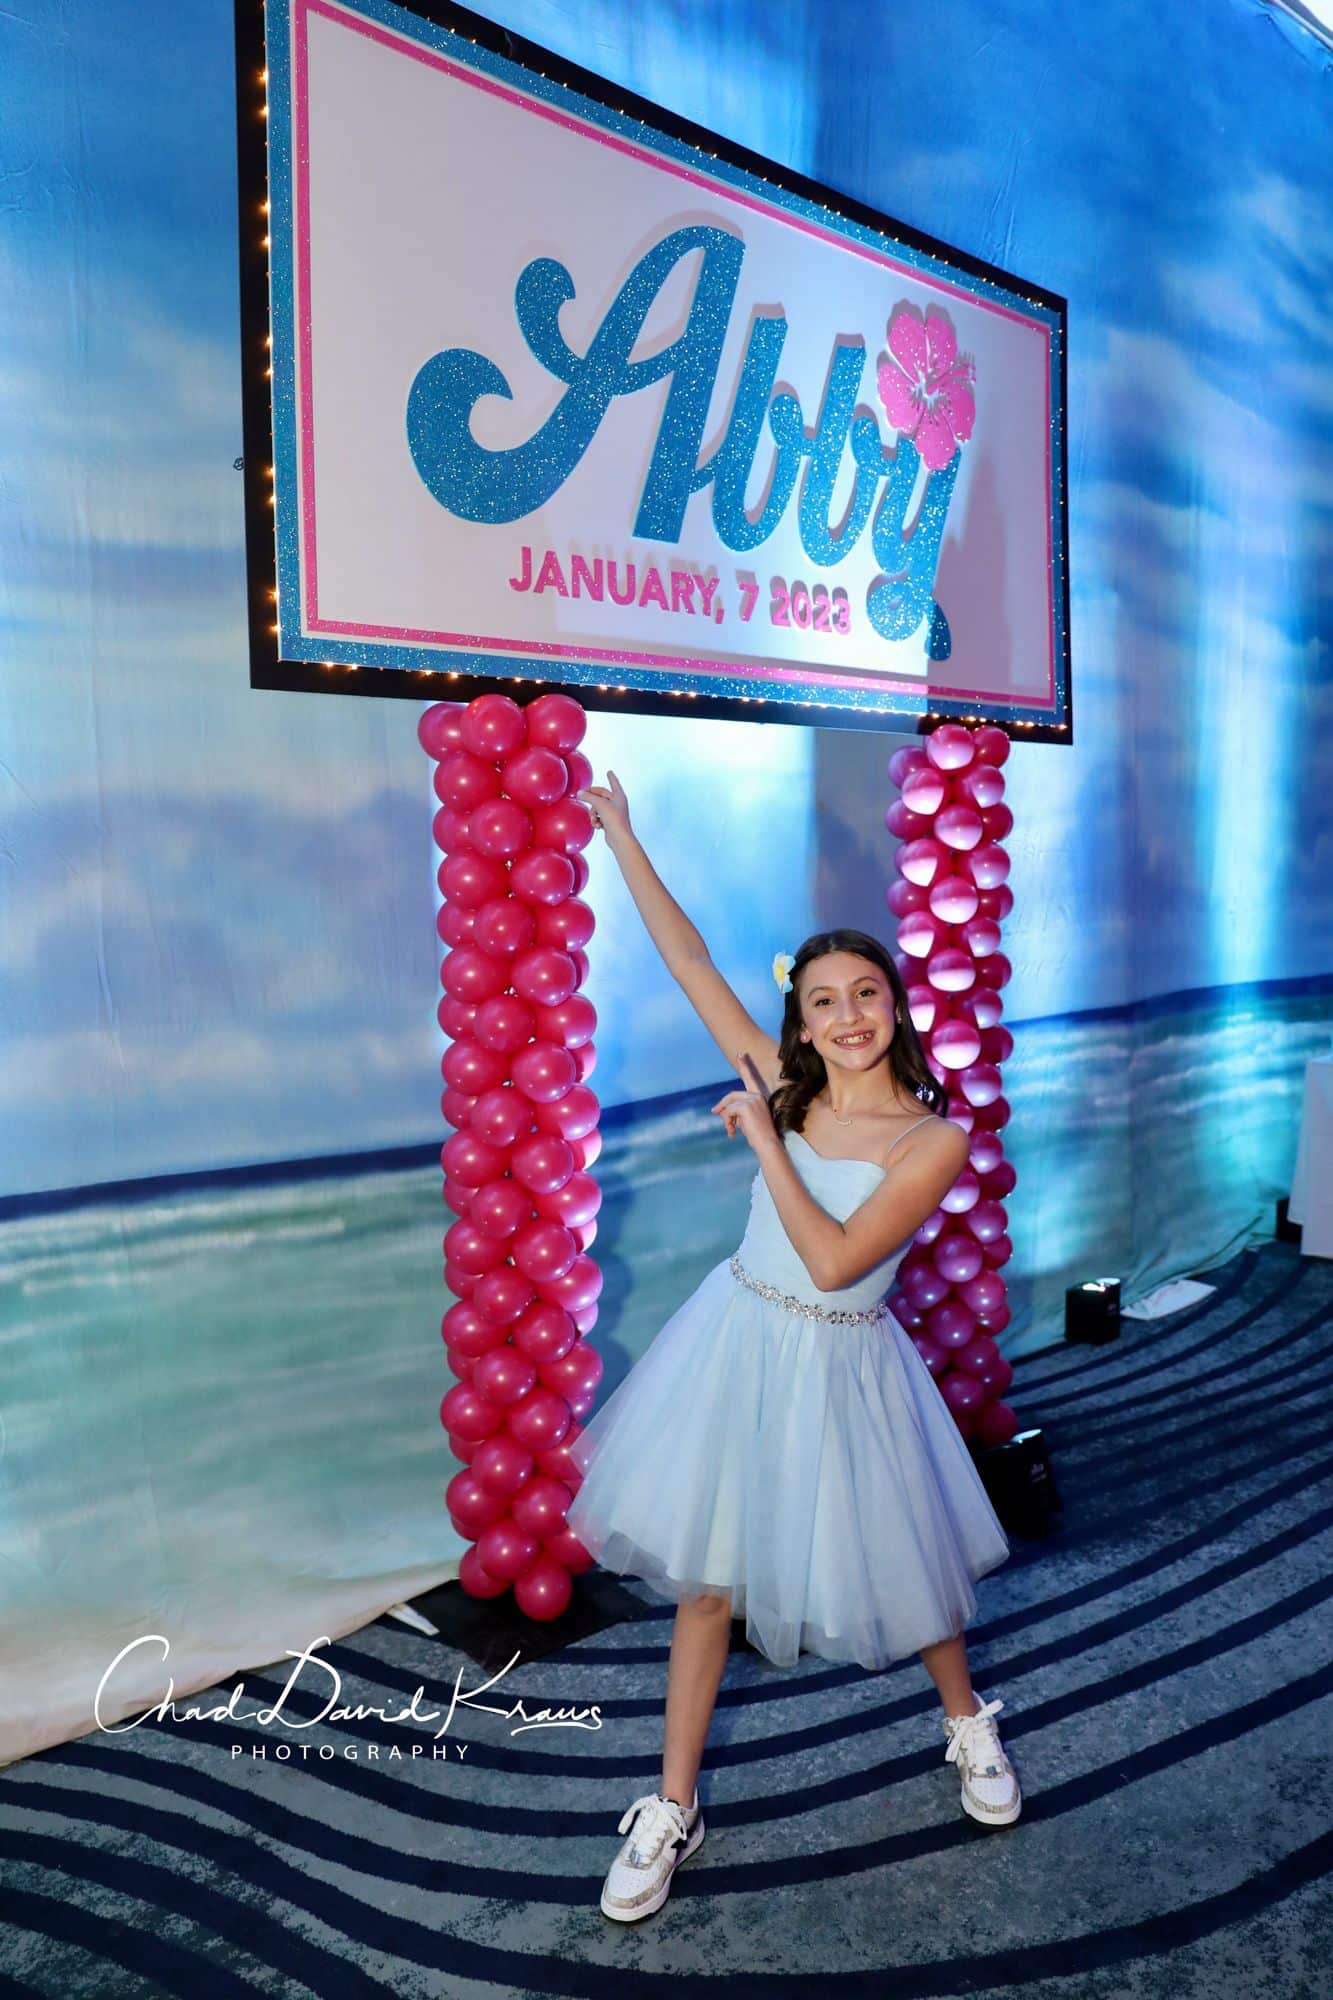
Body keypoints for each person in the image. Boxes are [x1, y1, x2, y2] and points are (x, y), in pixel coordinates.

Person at [569, 770, 1020, 1925]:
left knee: (905, 1566)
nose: (847, 1016)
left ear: (894, 1006)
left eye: (865, 991)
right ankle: (672, 1804)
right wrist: (620, 834)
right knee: (708, 1585)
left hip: (845, 1358)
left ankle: (966, 1722)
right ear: (801, 1020)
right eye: (822, 1001)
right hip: (734, 1346)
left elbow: (832, 1260)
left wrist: (765, 1140)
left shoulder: (933, 1138)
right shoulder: (781, 1079)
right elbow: (688, 961)